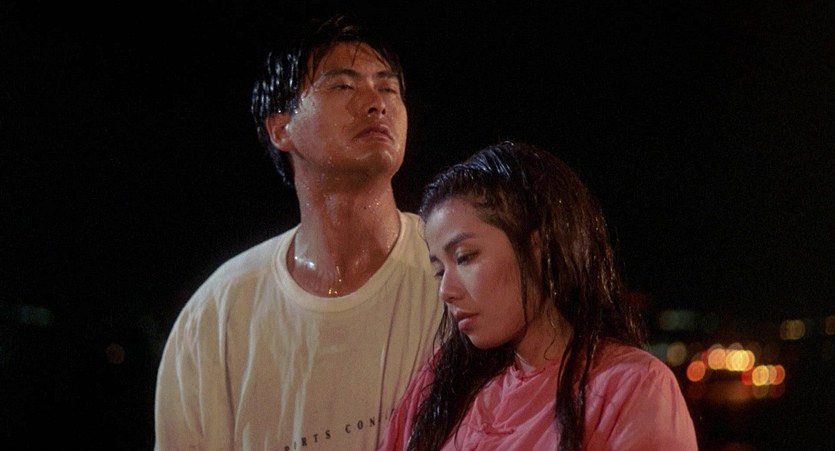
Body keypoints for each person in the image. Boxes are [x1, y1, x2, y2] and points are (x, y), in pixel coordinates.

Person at [154, 14, 442, 450]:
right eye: (342, 85)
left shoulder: (456, 274)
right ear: (281, 128)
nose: (376, 103)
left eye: (388, 89)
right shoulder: (217, 314)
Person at [379, 141, 698, 450]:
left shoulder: (631, 387)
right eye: (439, 270)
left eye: (465, 257)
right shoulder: (443, 385)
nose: (446, 291)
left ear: (537, 248)